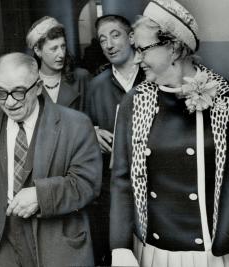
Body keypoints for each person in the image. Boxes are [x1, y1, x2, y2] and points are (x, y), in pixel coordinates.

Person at [0, 52, 102, 267]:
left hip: (56, 243)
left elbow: (87, 184)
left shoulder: (76, 124)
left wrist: (40, 196)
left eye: (19, 92)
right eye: (1, 93)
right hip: (5, 239)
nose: (10, 102)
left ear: (39, 86)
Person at [110, 0, 229, 266]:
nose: (137, 58)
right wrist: (119, 247)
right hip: (155, 250)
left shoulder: (223, 97)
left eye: (143, 49)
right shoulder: (134, 101)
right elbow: (121, 179)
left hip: (212, 251)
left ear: (174, 48)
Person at [85, 14, 145, 266]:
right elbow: (85, 127)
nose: (109, 44)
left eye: (115, 35)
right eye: (102, 40)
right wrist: (93, 133)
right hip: (112, 187)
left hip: (150, 182)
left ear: (131, 37)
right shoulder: (96, 86)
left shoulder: (151, 77)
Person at [26, 16, 90, 111]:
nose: (61, 54)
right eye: (54, 49)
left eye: (63, 46)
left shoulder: (81, 78)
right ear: (38, 51)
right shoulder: (28, 83)